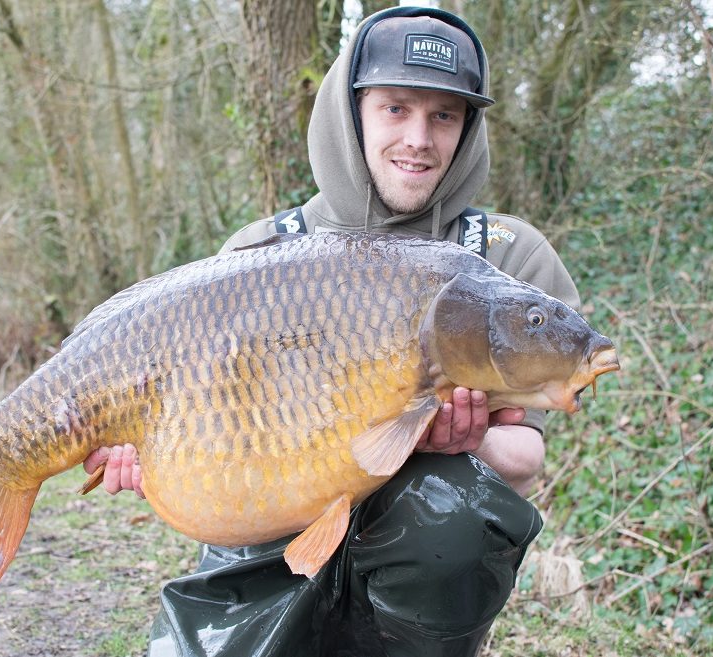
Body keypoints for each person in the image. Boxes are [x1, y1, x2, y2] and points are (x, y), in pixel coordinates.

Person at [84, 7, 580, 656]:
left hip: (423, 561)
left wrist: (459, 439)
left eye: (444, 115)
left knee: (450, 510)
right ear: (352, 112)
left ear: (469, 126)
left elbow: (527, 458)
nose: (419, 139)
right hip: (270, 539)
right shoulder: (259, 253)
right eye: (396, 108)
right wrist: (143, 448)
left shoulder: (505, 262)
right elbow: (211, 454)